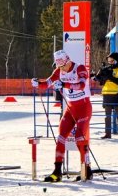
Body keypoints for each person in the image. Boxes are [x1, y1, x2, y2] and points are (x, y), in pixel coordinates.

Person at [32, 50, 94, 182]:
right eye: (59, 66)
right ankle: (57, 171)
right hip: (71, 108)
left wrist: (65, 84)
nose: (61, 69)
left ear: (67, 60)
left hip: (84, 108)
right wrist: (38, 83)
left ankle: (87, 169)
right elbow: (47, 83)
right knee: (60, 137)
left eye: (63, 65)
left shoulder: (80, 68)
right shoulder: (58, 71)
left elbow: (82, 85)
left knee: (79, 137)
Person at [95, 52, 118, 140]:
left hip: (117, 93)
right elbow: (101, 82)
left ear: (117, 60)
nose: (110, 63)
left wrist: (109, 77)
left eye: (112, 61)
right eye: (109, 61)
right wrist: (99, 75)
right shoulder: (107, 69)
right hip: (107, 93)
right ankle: (107, 133)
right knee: (107, 116)